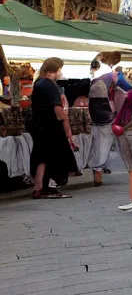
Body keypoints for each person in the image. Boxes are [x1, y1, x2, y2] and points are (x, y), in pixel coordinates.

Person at [29, 57, 78, 198]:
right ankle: (47, 187)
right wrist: (67, 126)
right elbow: (57, 109)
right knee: (52, 157)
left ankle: (38, 188)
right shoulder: (49, 85)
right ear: (55, 70)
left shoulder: (38, 83)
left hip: (39, 126)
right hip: (50, 127)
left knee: (41, 157)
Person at [88, 60, 118, 186]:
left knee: (103, 146)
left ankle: (99, 170)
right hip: (103, 123)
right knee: (101, 146)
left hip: (103, 122)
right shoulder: (100, 85)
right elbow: (99, 108)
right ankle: (98, 171)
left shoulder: (100, 84)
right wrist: (111, 117)